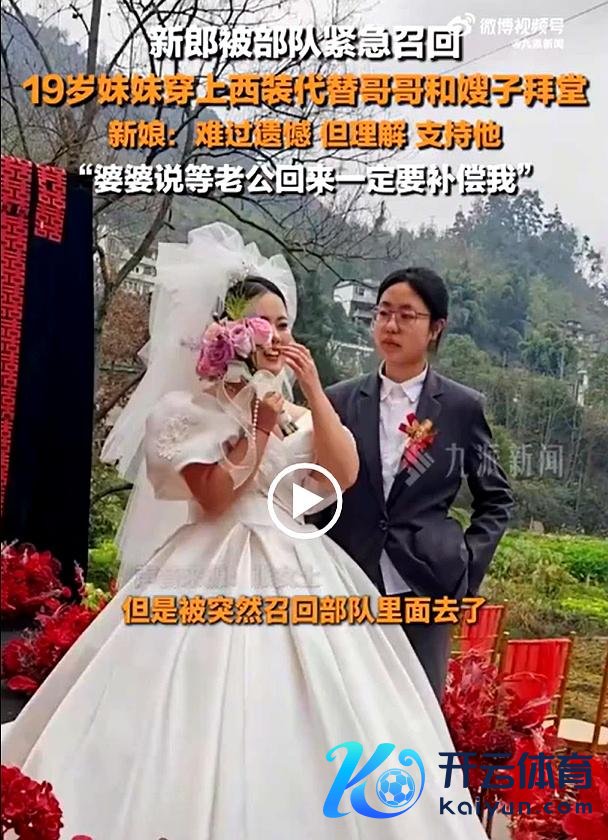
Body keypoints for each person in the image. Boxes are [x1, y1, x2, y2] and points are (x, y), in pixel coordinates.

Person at [2, 228, 485, 840]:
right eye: (263, 325)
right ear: (227, 335)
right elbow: (214, 496)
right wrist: (257, 426)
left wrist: (312, 392)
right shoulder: (185, 413)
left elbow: (342, 473)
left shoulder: (298, 413)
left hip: (301, 562)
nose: (277, 338)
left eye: (284, 325)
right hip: (209, 562)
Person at [312, 268, 514, 698]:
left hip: (426, 586)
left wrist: (466, 569)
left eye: (407, 315)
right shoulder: (338, 401)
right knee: (343, 707)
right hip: (347, 578)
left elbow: (496, 499)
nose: (391, 325)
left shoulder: (460, 408)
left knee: (417, 712)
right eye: (383, 313)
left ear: (435, 327)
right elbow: (313, 487)